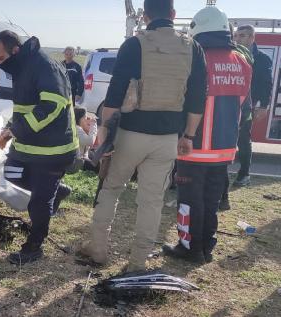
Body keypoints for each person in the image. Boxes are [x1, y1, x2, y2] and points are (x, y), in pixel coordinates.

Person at [77, 0, 207, 272]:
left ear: (145, 17)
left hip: (129, 134)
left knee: (111, 188)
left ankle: (98, 249)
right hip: (168, 137)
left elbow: (114, 94)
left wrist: (103, 135)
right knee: (151, 201)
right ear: (173, 15)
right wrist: (189, 136)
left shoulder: (134, 45)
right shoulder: (192, 48)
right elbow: (197, 98)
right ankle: (137, 263)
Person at [162, 6, 253, 264]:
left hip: (194, 145)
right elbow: (245, 107)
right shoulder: (242, 61)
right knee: (211, 200)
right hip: (225, 147)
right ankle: (206, 246)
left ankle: (189, 248)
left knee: (189, 200)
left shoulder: (194, 58)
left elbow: (182, 100)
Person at [0, 30, 78, 264]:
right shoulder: (23, 67)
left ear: (15, 50)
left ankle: (34, 247)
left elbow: (51, 107)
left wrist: (15, 131)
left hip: (54, 148)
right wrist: (10, 127)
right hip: (30, 145)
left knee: (39, 202)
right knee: (11, 171)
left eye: (1, 58)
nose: (0, 64)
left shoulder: (44, 66)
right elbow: (24, 108)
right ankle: (55, 190)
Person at [219, 24, 273, 210]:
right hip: (231, 105)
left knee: (243, 139)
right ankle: (223, 173)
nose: (237, 39)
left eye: (242, 36)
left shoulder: (262, 59)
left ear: (252, 38)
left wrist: (263, 106)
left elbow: (266, 84)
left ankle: (244, 174)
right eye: (235, 35)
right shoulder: (233, 56)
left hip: (248, 106)